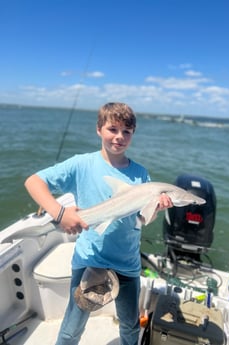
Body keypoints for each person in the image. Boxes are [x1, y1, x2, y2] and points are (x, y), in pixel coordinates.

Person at [24, 102, 173, 345]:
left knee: (130, 326)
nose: (119, 137)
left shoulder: (140, 174)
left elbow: (141, 220)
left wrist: (156, 208)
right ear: (98, 129)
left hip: (127, 262)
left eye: (127, 131)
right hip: (90, 259)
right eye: (112, 129)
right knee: (73, 327)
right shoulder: (81, 164)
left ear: (133, 134)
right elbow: (33, 182)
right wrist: (60, 214)